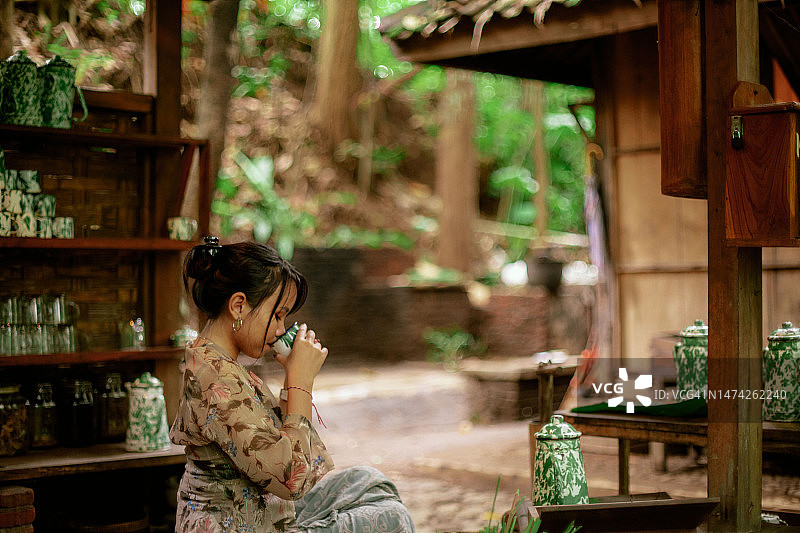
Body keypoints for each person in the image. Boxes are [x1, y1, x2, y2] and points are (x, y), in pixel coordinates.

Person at [170, 236, 415, 532]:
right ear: (238, 306)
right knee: (392, 517)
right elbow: (292, 477)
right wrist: (301, 382)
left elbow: (277, 442)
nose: (279, 329)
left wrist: (291, 379)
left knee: (367, 481)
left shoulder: (217, 362)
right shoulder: (216, 379)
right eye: (277, 314)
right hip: (234, 523)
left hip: (254, 509)